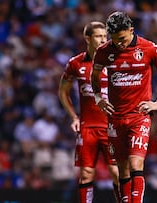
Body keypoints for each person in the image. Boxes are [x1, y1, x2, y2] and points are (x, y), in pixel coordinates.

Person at [90, 11, 157, 203]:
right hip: (115, 118)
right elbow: (94, 77)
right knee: (122, 169)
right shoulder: (104, 51)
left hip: (139, 116)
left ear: (131, 30)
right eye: (114, 40)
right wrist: (98, 98)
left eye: (121, 39)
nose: (118, 44)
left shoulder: (149, 48)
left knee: (136, 163)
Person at [58, 21, 121, 203]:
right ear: (87, 38)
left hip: (112, 127)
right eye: (98, 36)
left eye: (105, 36)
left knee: (117, 172)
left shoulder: (115, 60)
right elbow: (63, 91)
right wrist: (73, 116)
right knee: (86, 174)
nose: (103, 40)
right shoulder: (75, 64)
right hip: (88, 128)